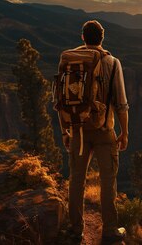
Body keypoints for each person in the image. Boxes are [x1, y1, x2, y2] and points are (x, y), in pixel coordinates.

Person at [59, 20, 129, 243]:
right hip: (104, 130)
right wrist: (124, 132)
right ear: (102, 37)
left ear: (83, 37)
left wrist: (65, 131)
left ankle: (75, 229)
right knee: (108, 181)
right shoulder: (112, 61)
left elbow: (60, 100)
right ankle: (109, 230)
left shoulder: (69, 59)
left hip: (77, 128)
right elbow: (121, 103)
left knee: (76, 180)